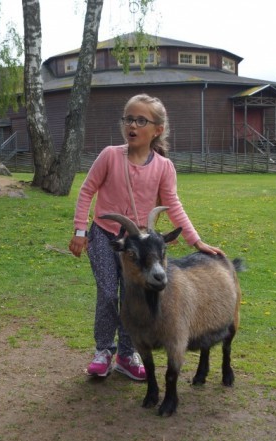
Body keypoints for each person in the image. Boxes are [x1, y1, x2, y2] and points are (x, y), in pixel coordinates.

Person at [68, 93, 224, 381]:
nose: (133, 125)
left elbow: (174, 204)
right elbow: (87, 190)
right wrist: (80, 231)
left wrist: (196, 241)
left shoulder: (164, 167)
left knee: (133, 296)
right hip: (105, 237)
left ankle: (128, 354)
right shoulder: (110, 156)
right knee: (106, 294)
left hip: (139, 246)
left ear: (158, 130)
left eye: (142, 120)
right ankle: (104, 350)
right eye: (129, 119)